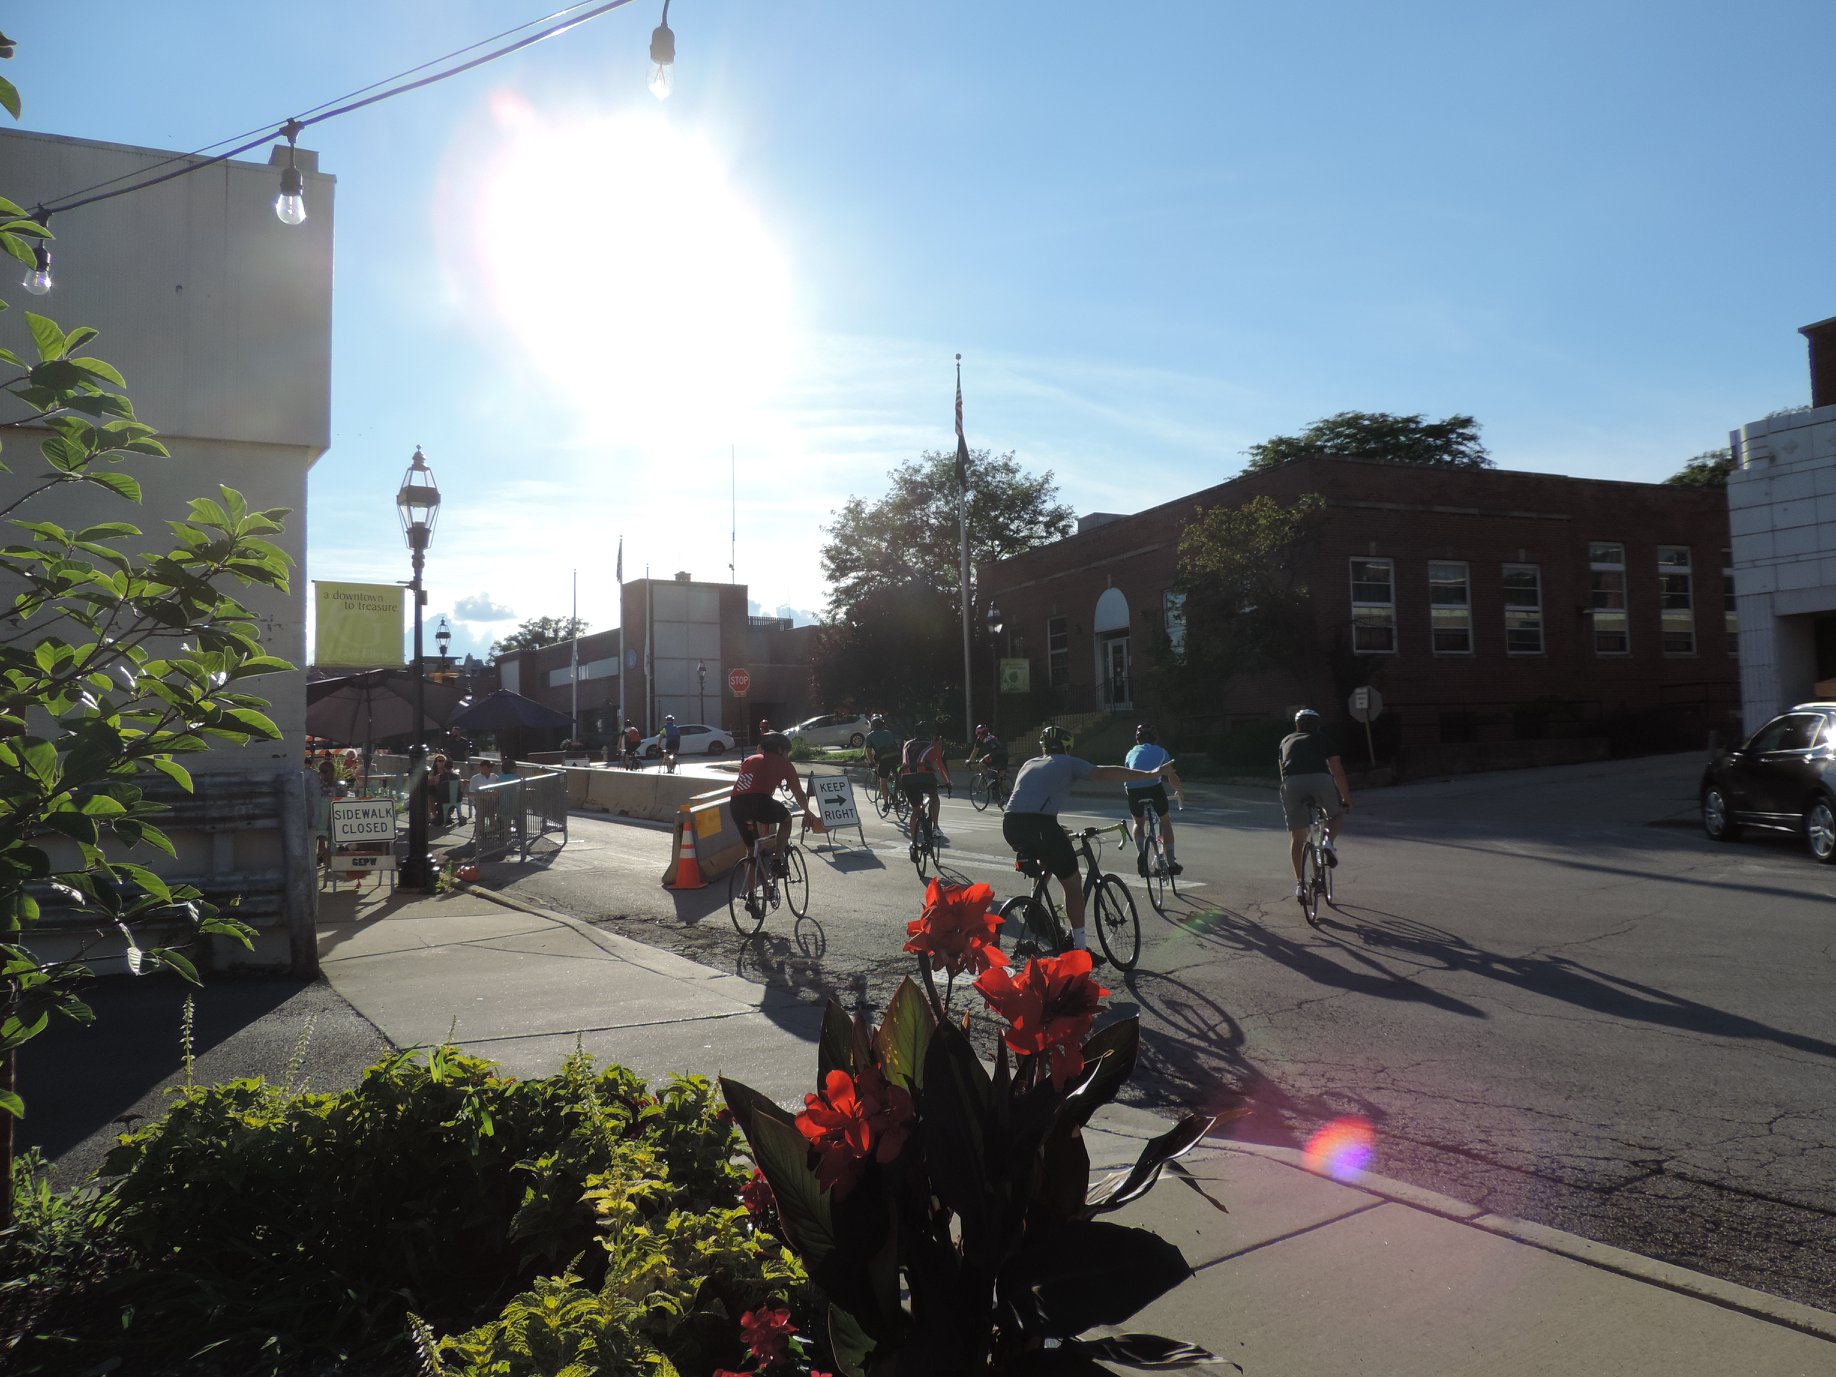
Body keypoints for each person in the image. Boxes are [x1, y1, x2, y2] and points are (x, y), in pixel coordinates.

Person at [1004, 725, 1172, 963]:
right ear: (1067, 746)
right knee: (1073, 884)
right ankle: (1079, 950)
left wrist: (1054, 828)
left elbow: (1028, 799)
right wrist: (1150, 774)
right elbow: (1105, 773)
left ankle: (1034, 905)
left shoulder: (1029, 763)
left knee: (1048, 856)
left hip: (1011, 824)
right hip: (1040, 825)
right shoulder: (1068, 762)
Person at [1279, 708, 1351, 900]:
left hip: (1292, 783)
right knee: (1336, 814)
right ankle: (1328, 843)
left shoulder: (1286, 740)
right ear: (1317, 725)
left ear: (1297, 725)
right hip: (1320, 780)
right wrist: (1346, 799)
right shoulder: (1324, 739)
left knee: (1298, 837)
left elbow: (1282, 771)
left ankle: (1300, 885)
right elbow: (1337, 772)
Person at [728, 730, 810, 896]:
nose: (787, 756)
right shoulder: (784, 764)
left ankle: (752, 896)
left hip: (736, 804)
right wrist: (807, 812)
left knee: (751, 852)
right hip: (759, 801)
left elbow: (749, 786)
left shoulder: (749, 760)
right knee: (786, 819)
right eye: (787, 752)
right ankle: (777, 860)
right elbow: (798, 792)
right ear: (780, 750)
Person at [1122, 724, 1183, 878]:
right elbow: (1171, 776)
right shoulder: (1161, 751)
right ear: (1156, 739)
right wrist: (1179, 791)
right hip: (1154, 789)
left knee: (1138, 823)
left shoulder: (1130, 753)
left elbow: (1126, 776)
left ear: (1138, 739)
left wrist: (1131, 795)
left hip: (1133, 790)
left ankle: (1141, 854)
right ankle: (1171, 864)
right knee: (1165, 821)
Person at [898, 721, 952, 841]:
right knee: (934, 797)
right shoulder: (934, 745)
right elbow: (941, 766)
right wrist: (947, 782)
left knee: (916, 811)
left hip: (907, 779)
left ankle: (913, 843)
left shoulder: (906, 745)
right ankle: (936, 827)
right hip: (925, 777)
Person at [864, 714, 901, 807]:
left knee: (883, 781)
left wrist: (871, 762)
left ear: (872, 726)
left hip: (884, 759)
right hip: (896, 757)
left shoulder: (869, 736)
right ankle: (899, 794)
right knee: (896, 775)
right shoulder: (889, 733)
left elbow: (868, 752)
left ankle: (886, 803)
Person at [967, 723, 1009, 794]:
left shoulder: (980, 738)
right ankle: (1007, 794)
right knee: (999, 778)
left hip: (995, 754)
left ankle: (991, 779)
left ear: (978, 733)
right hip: (1005, 754)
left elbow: (975, 751)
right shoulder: (992, 736)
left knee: (981, 763)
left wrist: (969, 761)